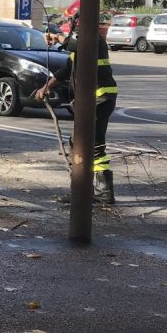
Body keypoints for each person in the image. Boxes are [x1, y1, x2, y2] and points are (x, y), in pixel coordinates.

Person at [35, 14, 119, 204]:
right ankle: (99, 190)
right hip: (98, 98)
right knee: (93, 144)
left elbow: (74, 44)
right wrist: (46, 87)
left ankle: (90, 191)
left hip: (100, 97)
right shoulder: (81, 47)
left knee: (83, 142)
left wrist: (56, 38)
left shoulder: (93, 40)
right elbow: (65, 70)